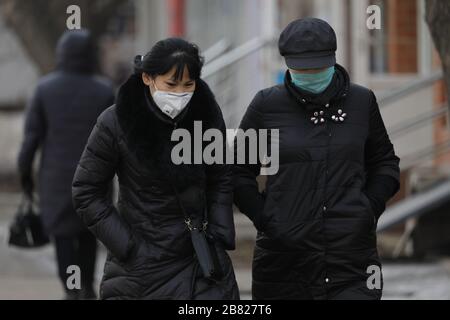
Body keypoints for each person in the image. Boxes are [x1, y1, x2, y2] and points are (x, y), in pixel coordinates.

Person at [233, 18, 400, 300]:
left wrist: (366, 209)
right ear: (288, 63)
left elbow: (384, 162)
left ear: (333, 60)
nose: (311, 72)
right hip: (283, 263)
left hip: (353, 260)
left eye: (318, 66)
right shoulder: (266, 105)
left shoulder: (362, 102)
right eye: (303, 67)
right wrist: (267, 218)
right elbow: (237, 170)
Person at [72, 38, 239, 300]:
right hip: (139, 264)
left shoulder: (206, 115)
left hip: (199, 257)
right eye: (171, 84)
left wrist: (219, 232)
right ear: (148, 78)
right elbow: (86, 191)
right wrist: (126, 245)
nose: (180, 93)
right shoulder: (115, 122)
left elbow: (220, 176)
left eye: (188, 85)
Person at [17, 29, 114, 299]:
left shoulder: (45, 89)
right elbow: (119, 138)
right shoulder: (104, 90)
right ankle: (86, 287)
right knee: (88, 232)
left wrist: (25, 176)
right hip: (96, 177)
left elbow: (31, 140)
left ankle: (71, 289)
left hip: (56, 179)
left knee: (62, 236)